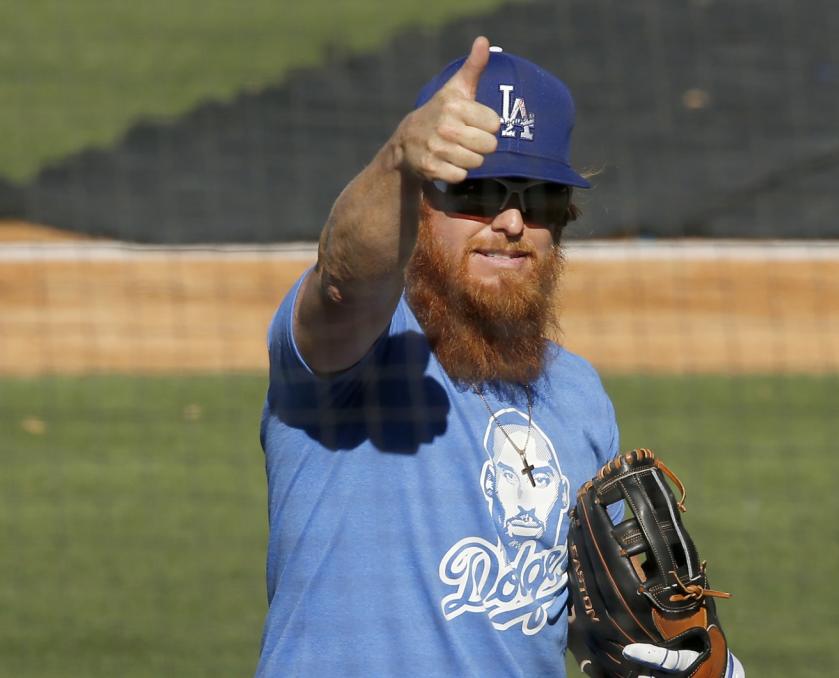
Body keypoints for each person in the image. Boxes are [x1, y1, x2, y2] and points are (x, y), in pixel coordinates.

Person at [256, 36, 742, 677]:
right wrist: (398, 162)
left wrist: (695, 662)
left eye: (537, 199)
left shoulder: (577, 396)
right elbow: (346, 277)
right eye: (477, 192)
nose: (511, 222)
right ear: (422, 205)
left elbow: (598, 620)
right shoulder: (355, 353)